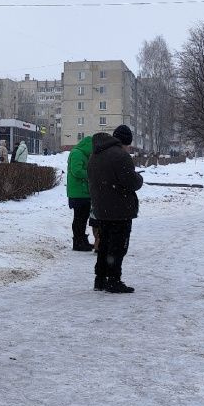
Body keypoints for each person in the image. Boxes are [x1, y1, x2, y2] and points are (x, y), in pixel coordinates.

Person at [87, 125, 143, 294]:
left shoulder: (95, 154)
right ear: (125, 141)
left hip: (102, 208)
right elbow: (131, 182)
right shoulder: (120, 156)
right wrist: (139, 177)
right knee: (118, 247)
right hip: (120, 209)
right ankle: (114, 280)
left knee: (104, 244)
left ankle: (100, 279)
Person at [66, 134, 94, 252]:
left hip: (82, 192)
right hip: (78, 192)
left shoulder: (84, 154)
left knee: (82, 218)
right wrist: (91, 175)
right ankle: (78, 242)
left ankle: (81, 240)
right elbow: (76, 171)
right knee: (79, 218)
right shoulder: (77, 153)